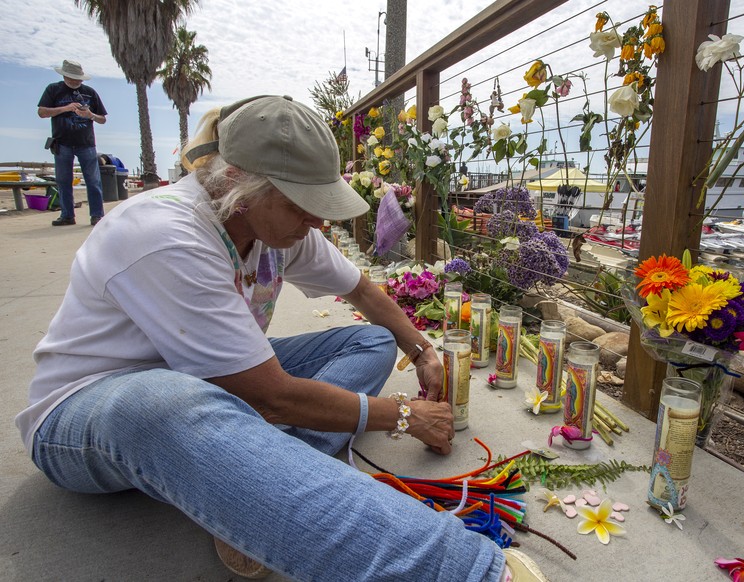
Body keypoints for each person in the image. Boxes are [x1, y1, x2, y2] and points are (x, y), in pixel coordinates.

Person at [16, 95, 546, 582]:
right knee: (168, 402)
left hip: (210, 383)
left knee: (372, 343)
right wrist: (402, 415)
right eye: (301, 202)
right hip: (92, 410)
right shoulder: (164, 233)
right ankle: (467, 572)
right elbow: (268, 396)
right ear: (236, 184)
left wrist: (421, 349)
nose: (317, 219)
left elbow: (362, 290)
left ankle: (251, 486)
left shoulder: (277, 229)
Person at [37, 59, 107, 227]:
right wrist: (65, 108)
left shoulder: (90, 92)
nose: (76, 81)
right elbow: (42, 112)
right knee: (63, 181)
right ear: (65, 76)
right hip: (62, 143)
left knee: (93, 181)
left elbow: (102, 119)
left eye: (79, 78)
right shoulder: (53, 90)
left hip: (86, 144)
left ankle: (97, 216)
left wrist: (90, 115)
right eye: (73, 78)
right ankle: (67, 215)